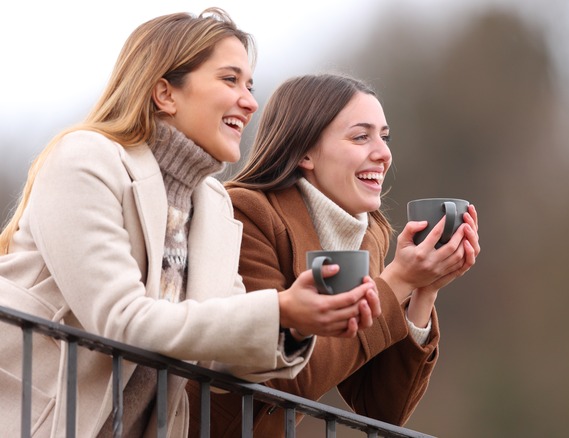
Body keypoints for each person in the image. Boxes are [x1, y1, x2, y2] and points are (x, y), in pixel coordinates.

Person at [0, 11, 380, 438]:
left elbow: (223, 357)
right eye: (230, 80)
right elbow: (122, 321)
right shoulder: (86, 159)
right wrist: (279, 308)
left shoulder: (213, 204)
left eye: (250, 85)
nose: (251, 101)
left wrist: (291, 324)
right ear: (165, 93)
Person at [188, 73, 480, 436]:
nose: (383, 153)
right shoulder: (245, 213)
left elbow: (380, 408)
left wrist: (422, 291)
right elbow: (287, 378)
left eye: (384, 137)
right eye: (361, 137)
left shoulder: (369, 235)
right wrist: (398, 280)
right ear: (306, 151)